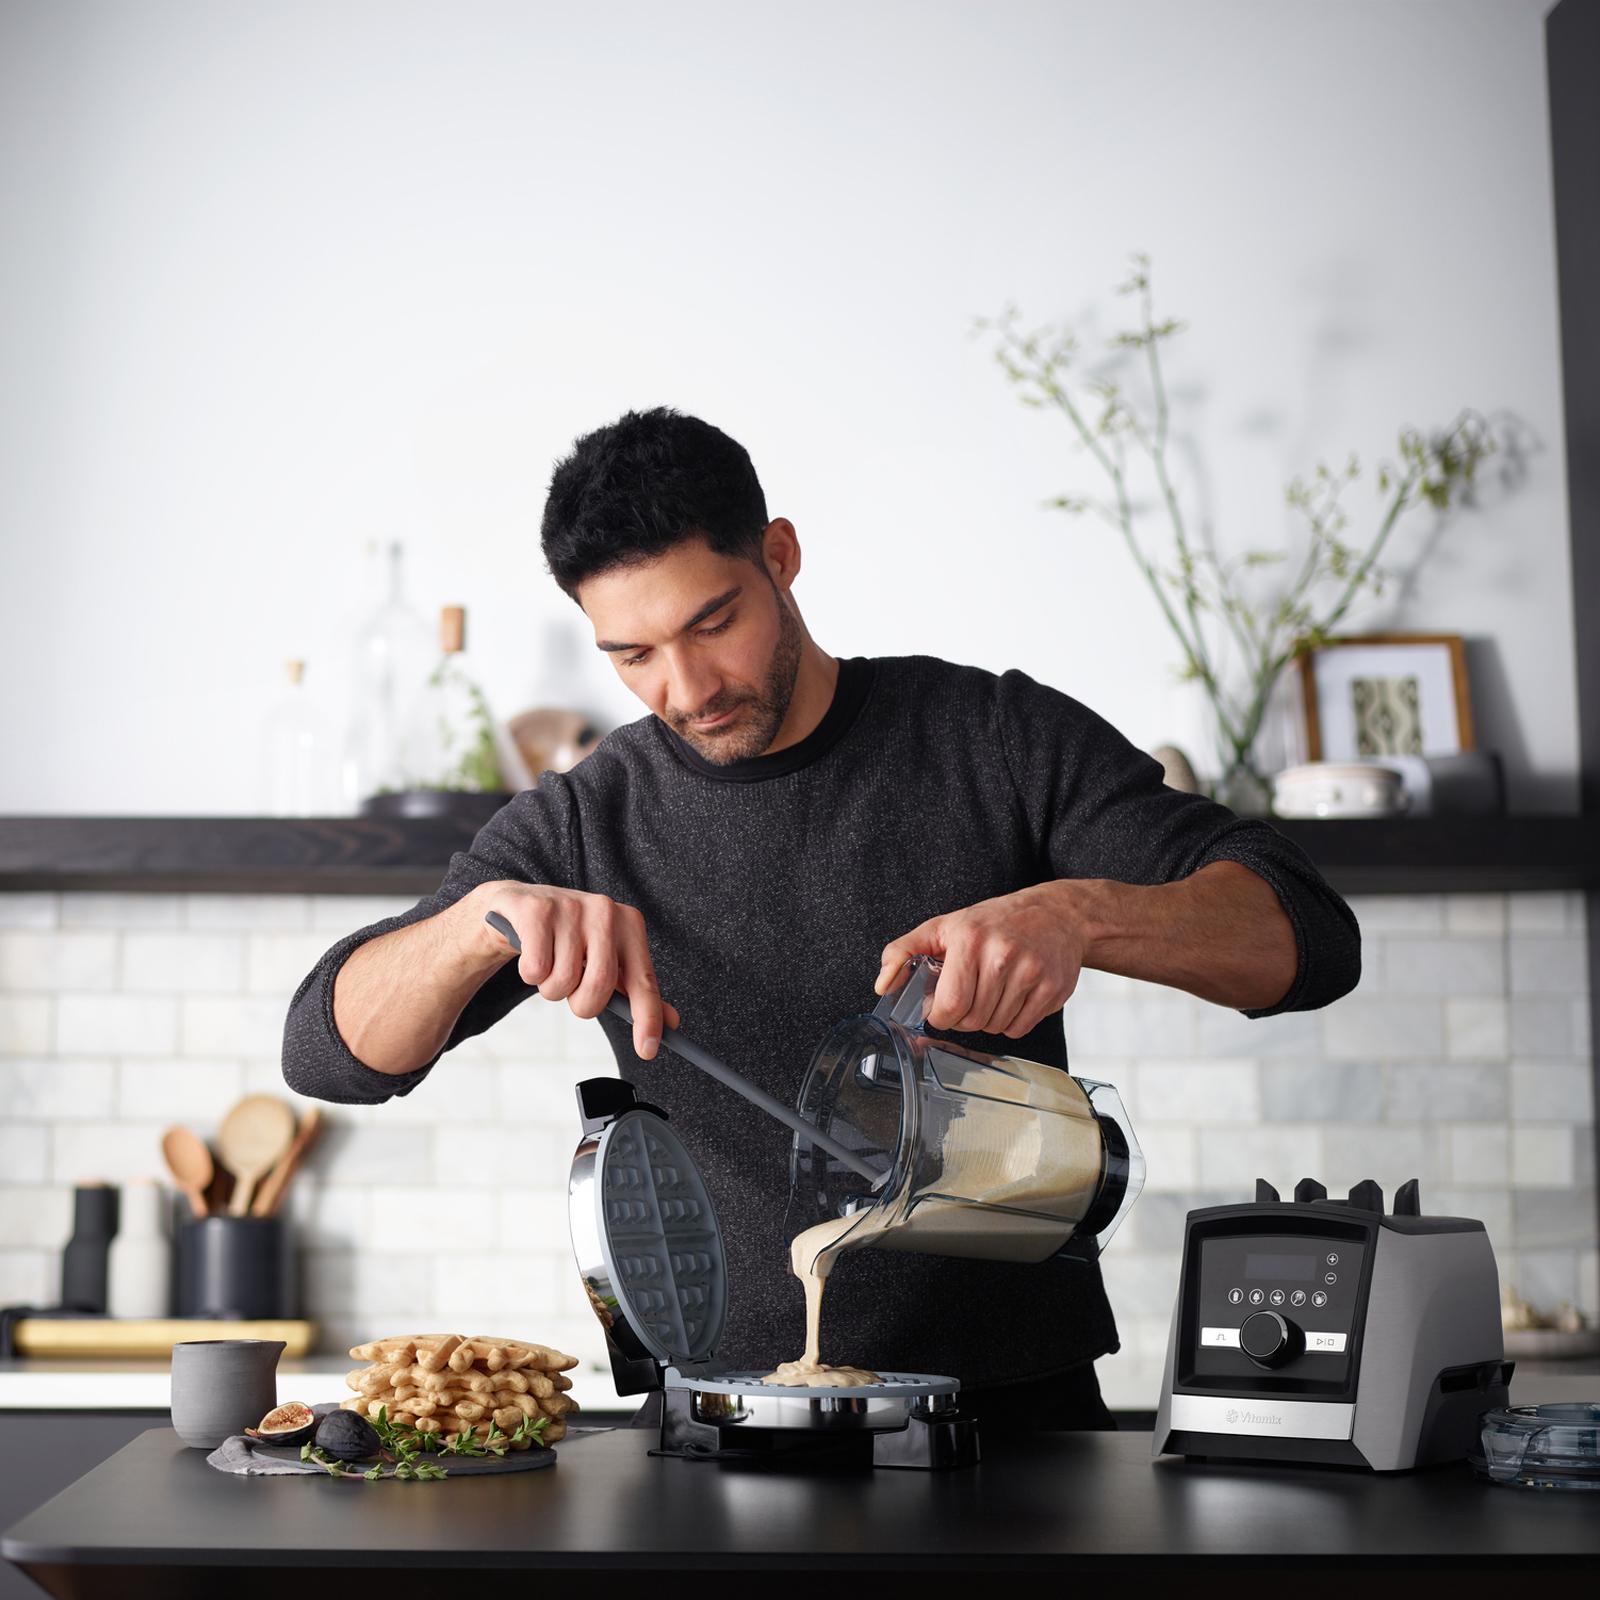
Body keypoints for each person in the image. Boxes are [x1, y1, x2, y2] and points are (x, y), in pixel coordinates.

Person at [282, 406, 1360, 1433]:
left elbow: (1307, 938)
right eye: (633, 654)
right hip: (715, 1432)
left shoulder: (991, 739)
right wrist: (478, 923)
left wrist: (1081, 914)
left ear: (781, 557)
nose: (687, 686)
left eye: (714, 622)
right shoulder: (585, 818)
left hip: (1017, 1425)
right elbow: (329, 1054)